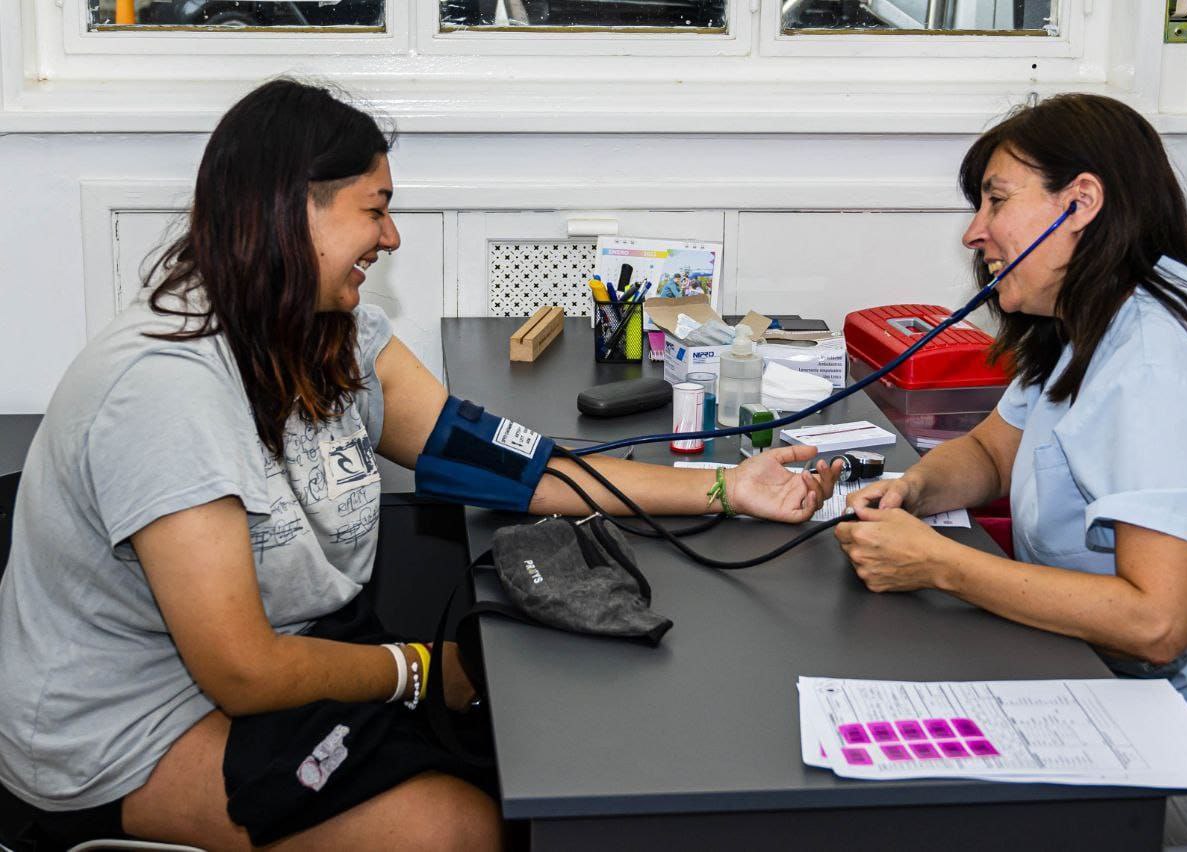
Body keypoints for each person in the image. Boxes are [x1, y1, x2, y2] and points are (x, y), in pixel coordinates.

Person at [0, 79, 839, 850]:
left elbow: (503, 466)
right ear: (293, 213)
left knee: (510, 761)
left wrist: (725, 487)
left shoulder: (329, 332)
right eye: (376, 209)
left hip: (289, 659)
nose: (391, 237)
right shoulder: (164, 390)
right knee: (458, 830)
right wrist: (422, 673)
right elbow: (243, 670)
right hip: (127, 727)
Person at [834, 93, 1187, 848]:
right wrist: (914, 488)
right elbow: (991, 452)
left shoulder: (1159, 362)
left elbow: (1158, 623)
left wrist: (941, 565)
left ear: (1080, 203)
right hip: (1120, 694)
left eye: (996, 201)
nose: (976, 233)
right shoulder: (1092, 317)